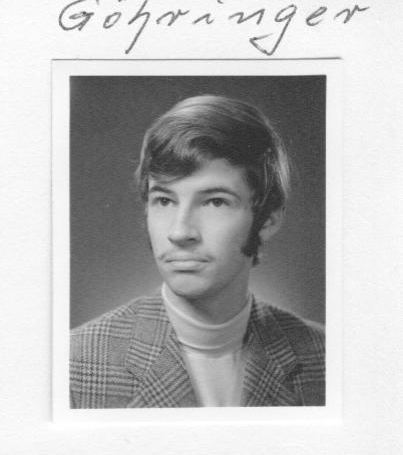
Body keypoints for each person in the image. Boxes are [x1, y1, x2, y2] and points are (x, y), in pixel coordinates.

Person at [70, 94, 325, 408]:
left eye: (215, 202)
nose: (180, 233)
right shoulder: (73, 365)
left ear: (268, 220)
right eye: (164, 200)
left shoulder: (330, 358)